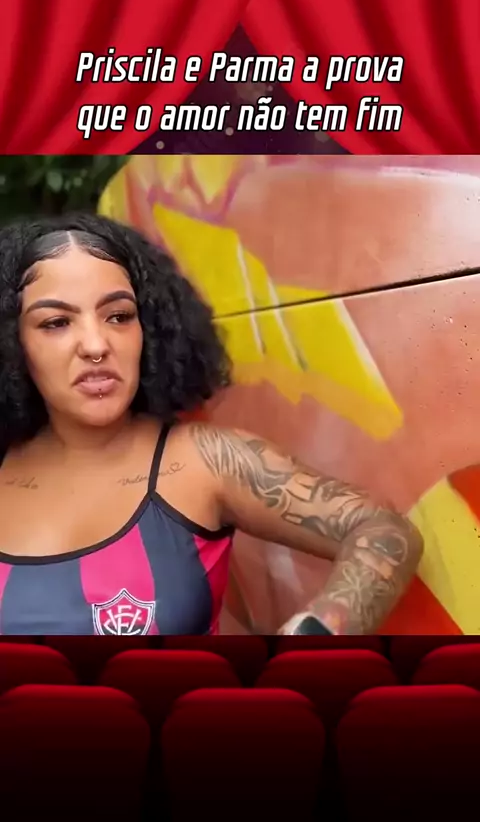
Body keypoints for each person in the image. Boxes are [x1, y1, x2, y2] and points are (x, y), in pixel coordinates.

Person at [0, 212, 423, 636]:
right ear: (12, 344)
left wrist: (323, 626)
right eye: (56, 323)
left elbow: (385, 530)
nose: (95, 345)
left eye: (119, 316)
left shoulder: (205, 461)